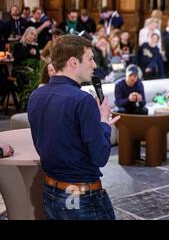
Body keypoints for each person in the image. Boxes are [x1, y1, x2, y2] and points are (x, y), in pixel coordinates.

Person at [27, 34, 119, 220]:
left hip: (51, 192)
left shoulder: (36, 95)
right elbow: (100, 155)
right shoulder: (82, 100)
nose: (94, 65)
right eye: (90, 58)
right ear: (73, 62)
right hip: (79, 197)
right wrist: (104, 122)